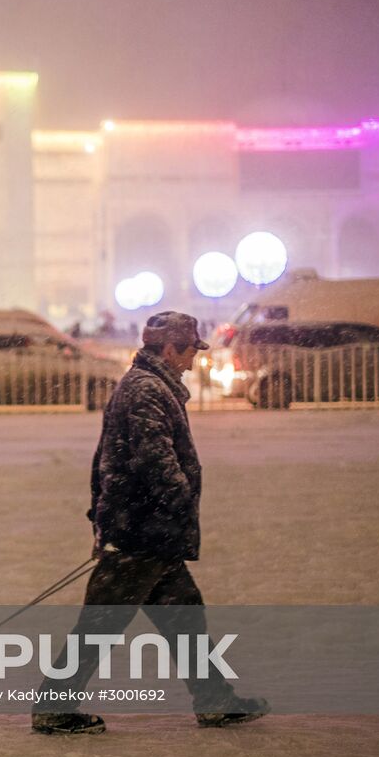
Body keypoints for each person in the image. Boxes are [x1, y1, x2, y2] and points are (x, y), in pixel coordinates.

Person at [31, 311, 267, 735]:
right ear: (170, 348)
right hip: (143, 530)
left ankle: (215, 698)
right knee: (101, 625)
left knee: (184, 617)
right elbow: (154, 460)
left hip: (145, 528)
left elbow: (111, 459)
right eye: (191, 348)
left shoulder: (150, 386)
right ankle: (53, 707)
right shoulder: (146, 390)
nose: (195, 357)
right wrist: (179, 502)